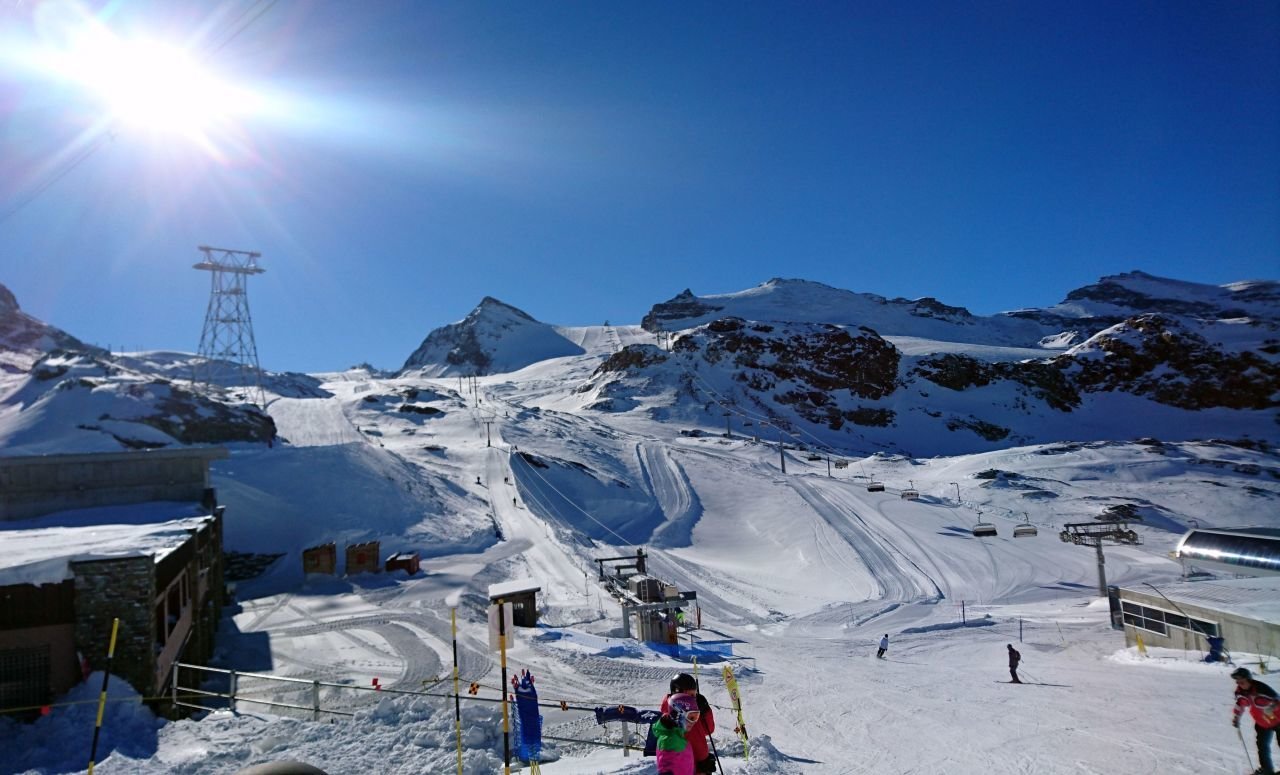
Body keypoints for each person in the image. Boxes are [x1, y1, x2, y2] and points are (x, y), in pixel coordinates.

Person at [661, 673, 717, 774]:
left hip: (701, 765)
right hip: (693, 768)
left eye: (694, 694)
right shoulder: (674, 715)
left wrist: (706, 710)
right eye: (690, 695)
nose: (693, 698)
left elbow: (708, 729)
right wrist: (700, 765)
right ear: (677, 693)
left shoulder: (693, 709)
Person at [1231, 667, 1280, 775]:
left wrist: (1272, 707)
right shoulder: (1240, 692)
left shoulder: (1262, 689)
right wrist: (1236, 717)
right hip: (1262, 722)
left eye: (1242, 682)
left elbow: (1278, 699)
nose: (1239, 684)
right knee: (1262, 746)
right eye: (1238, 682)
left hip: (1278, 720)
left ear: (1249, 679)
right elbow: (1240, 704)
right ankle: (1267, 770)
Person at [652, 692, 700, 775]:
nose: (694, 722)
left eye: (696, 717)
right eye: (691, 717)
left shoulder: (679, 735)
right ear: (678, 714)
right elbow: (665, 770)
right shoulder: (668, 739)